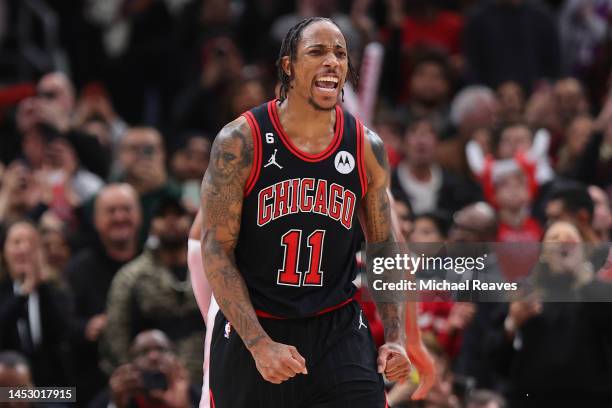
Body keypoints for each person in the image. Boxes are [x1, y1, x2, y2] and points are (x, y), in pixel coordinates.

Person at [199, 17, 433, 407]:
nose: (332, 62)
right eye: (317, 51)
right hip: (258, 323)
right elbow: (215, 249)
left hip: (336, 327)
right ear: (288, 66)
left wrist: (394, 336)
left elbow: (384, 246)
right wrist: (258, 344)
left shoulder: (365, 146)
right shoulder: (241, 141)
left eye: (340, 53)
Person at [101, 196, 204, 383]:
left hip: (210, 377)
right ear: (151, 224)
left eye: (178, 215)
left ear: (190, 220)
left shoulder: (211, 268)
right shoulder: (131, 277)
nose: (170, 221)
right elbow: (116, 335)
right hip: (151, 384)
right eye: (162, 216)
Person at [64, 183, 142, 404]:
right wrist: (87, 328)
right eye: (111, 211)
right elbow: (63, 325)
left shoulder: (156, 262)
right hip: (93, 383)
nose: (119, 217)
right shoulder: (77, 270)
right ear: (96, 220)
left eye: (126, 209)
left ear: (139, 215)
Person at [0, 221, 73, 386]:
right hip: (7, 389)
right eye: (16, 243)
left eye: (31, 243)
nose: (24, 249)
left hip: (52, 389)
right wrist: (24, 293)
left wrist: (41, 286)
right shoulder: (2, 292)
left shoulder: (57, 290)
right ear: (4, 252)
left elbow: (63, 332)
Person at [90, 330, 201, 408]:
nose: (154, 357)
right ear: (131, 362)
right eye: (144, 352)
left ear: (175, 356)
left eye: (161, 349)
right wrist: (118, 405)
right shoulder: (119, 394)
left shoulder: (191, 392)